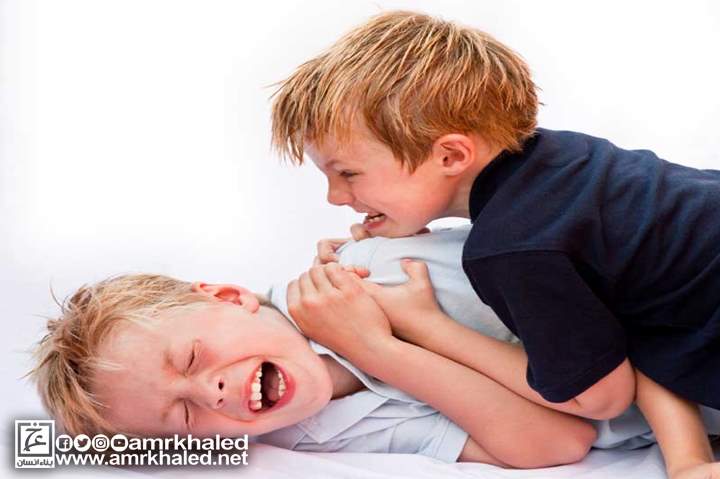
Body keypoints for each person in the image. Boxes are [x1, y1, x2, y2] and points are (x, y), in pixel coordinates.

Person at [270, 10, 720, 479]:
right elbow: (647, 321)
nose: (335, 197)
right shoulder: (566, 159)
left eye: (348, 173)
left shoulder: (512, 248)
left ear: (451, 155)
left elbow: (600, 397)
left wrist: (424, 325)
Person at [29, 227, 596, 468]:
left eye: (191, 359)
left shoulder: (370, 271)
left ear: (229, 297)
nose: (211, 392)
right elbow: (564, 441)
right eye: (183, 417)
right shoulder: (314, 434)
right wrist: (380, 352)